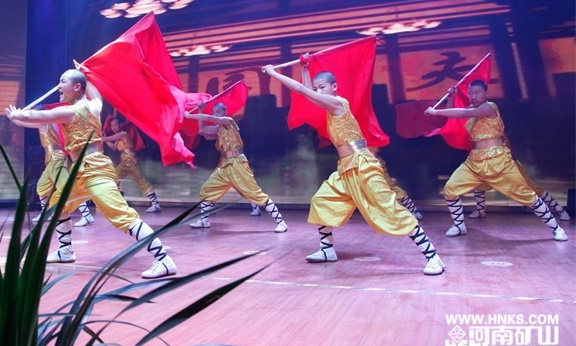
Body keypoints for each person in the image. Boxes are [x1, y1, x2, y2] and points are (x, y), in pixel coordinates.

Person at [263, 61, 444, 275]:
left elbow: (303, 90)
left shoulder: (338, 103)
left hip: (362, 165)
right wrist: (305, 68)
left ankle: (433, 257)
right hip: (345, 168)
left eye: (322, 87)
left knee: (390, 210)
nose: (318, 91)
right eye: (317, 88)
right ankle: (327, 249)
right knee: (323, 201)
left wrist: (273, 73)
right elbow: (308, 93)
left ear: (334, 87)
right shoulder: (328, 105)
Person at [5, 69, 177, 279]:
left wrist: (17, 115)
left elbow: (38, 116)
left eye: (63, 82)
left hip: (95, 171)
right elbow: (95, 95)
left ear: (77, 87)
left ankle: (164, 260)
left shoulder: (72, 111)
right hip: (79, 173)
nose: (59, 87)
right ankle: (65, 251)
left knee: (123, 216)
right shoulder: (94, 105)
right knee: (56, 206)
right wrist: (87, 72)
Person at [425, 81, 567, 241]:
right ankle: (459, 225)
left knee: (527, 196)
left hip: (498, 160)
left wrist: (435, 112)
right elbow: (455, 114)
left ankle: (556, 228)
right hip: (474, 161)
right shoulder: (471, 110)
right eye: (470, 93)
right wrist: (451, 97)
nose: (473, 96)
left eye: (477, 92)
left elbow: (463, 113)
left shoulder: (489, 107)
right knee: (450, 189)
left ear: (486, 93)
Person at [183, 102, 288, 233]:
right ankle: (204, 220)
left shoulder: (228, 121)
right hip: (224, 165)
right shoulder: (219, 128)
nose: (216, 114)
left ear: (225, 112)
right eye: (214, 112)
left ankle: (281, 222)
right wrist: (200, 111)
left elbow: (210, 119)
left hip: (237, 163)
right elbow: (203, 128)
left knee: (255, 193)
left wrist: (190, 116)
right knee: (207, 189)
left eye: (218, 112)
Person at [467, 135, 569, 221]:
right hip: (492, 168)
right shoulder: (482, 135)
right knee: (479, 185)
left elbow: (507, 151)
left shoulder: (499, 134)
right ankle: (480, 211)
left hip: (510, 167)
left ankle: (561, 211)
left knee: (535, 189)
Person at [101, 117, 162, 213]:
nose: (114, 127)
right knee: (117, 179)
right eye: (112, 126)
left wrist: (102, 137)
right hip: (127, 162)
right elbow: (113, 148)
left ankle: (116, 204)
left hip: (129, 162)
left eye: (116, 125)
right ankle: (155, 204)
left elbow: (105, 139)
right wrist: (104, 139)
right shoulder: (118, 137)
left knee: (116, 178)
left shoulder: (122, 134)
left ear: (121, 125)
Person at [369, 147, 423, 221]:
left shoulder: (372, 147)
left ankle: (413, 211)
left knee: (391, 188)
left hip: (374, 166)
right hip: (366, 167)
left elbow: (374, 152)